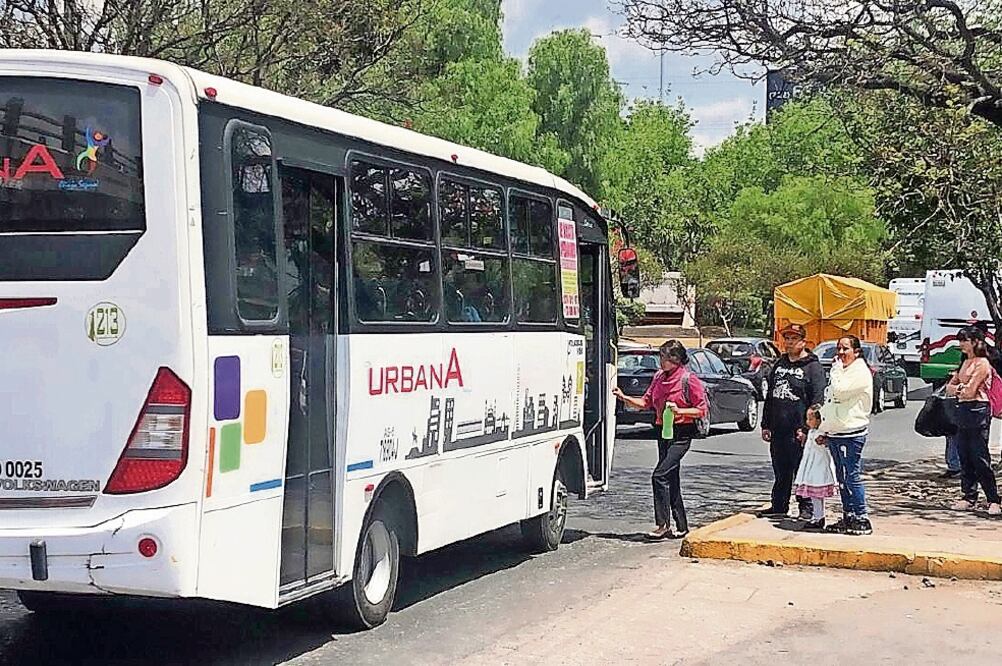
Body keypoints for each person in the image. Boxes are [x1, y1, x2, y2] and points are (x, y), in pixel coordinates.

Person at [613, 340, 709, 539]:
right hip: (663, 431)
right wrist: (623, 397)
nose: (661, 361)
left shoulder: (688, 379)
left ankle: (662, 524)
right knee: (670, 477)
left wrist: (680, 411)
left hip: (682, 432)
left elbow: (701, 410)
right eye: (661, 356)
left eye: (664, 357)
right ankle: (681, 525)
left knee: (660, 475)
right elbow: (645, 402)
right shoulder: (658, 377)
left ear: (675, 359)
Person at [759, 323, 826, 520]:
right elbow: (770, 396)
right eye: (787, 339)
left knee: (802, 469)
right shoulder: (779, 365)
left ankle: (806, 507)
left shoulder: (813, 367)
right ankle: (779, 505)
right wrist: (766, 424)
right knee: (781, 470)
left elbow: (818, 400)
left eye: (794, 339)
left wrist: (806, 428)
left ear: (803, 342)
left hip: (799, 429)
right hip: (779, 427)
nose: (789, 342)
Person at [818, 335, 874, 535]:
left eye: (845, 349)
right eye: (839, 349)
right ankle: (848, 515)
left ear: (856, 352)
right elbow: (830, 401)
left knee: (852, 475)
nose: (841, 353)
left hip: (851, 433)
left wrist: (835, 370)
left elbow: (841, 391)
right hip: (836, 432)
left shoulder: (860, 372)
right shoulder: (842, 370)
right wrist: (824, 429)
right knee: (841, 477)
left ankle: (861, 517)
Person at [945, 326, 1002, 515]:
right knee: (964, 454)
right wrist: (959, 388)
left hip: (978, 410)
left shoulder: (982, 363)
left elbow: (970, 390)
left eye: (965, 340)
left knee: (979, 456)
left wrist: (959, 388)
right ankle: (968, 495)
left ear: (976, 342)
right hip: (963, 409)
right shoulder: (965, 362)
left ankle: (993, 499)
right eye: (960, 340)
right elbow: (950, 388)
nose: (961, 344)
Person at [792, 404, 837, 531]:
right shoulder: (811, 432)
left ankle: (818, 517)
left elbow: (827, 447)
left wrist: (825, 440)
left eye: (810, 419)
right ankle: (818, 516)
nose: (808, 422)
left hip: (819, 468)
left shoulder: (823, 434)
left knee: (817, 494)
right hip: (811, 467)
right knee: (814, 495)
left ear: (819, 419)